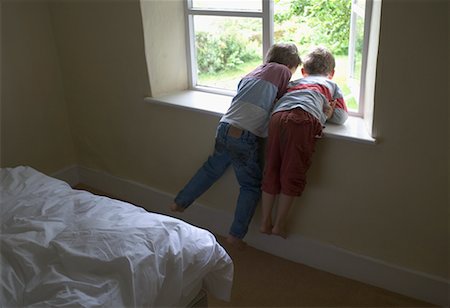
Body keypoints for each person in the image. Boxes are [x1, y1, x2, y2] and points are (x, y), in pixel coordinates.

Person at [170, 43, 301, 249]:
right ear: (290, 64)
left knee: (211, 168)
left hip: (225, 127)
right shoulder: (282, 70)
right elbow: (283, 96)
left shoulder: (253, 72)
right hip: (245, 135)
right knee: (249, 186)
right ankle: (235, 235)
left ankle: (180, 201)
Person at [260, 46, 348, 239]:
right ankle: (279, 224)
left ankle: (265, 220)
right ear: (331, 73)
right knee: (292, 172)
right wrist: (328, 111)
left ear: (303, 71)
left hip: (277, 117)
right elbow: (341, 117)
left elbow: (277, 99)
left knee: (272, 167)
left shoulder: (295, 82)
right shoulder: (330, 85)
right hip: (302, 120)